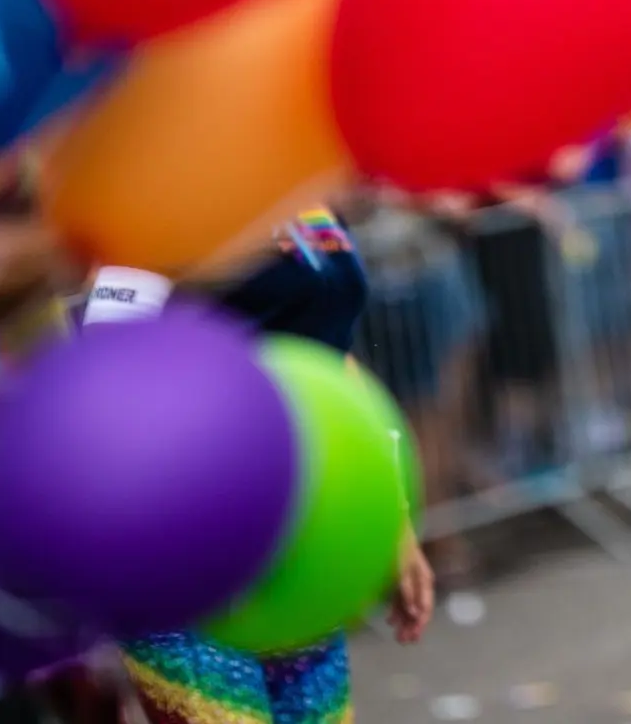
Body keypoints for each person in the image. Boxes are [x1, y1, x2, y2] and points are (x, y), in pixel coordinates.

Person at [112, 207, 436, 724]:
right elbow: (106, 364)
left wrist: (394, 522)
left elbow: (333, 360)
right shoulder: (155, 197)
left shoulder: (307, 196)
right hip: (183, 547)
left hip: (303, 540)